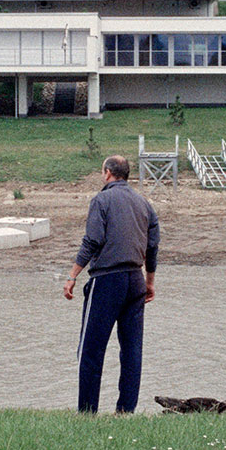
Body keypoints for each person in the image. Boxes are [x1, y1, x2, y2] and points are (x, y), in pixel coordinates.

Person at [63, 154, 159, 413]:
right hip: (135, 280)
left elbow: (92, 240)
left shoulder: (101, 199)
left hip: (106, 280)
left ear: (107, 173)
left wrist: (73, 275)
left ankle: (87, 413)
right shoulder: (145, 204)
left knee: (90, 351)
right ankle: (125, 411)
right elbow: (152, 248)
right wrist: (149, 282)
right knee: (131, 351)